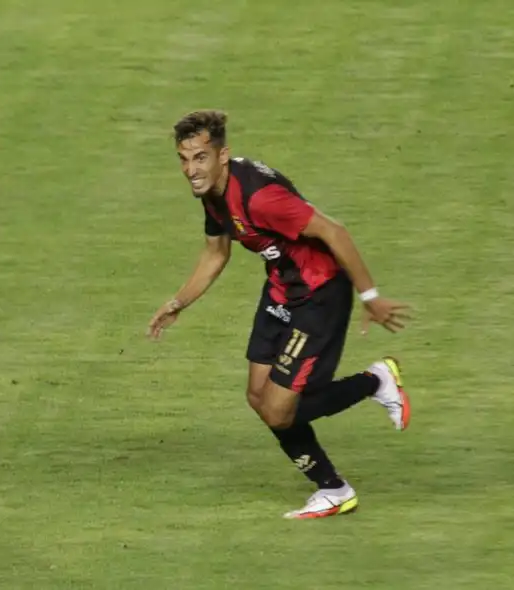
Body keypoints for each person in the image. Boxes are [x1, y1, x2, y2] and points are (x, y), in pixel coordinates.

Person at [148, 110, 412, 519]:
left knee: (278, 409)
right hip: (282, 288)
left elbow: (334, 231)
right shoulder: (215, 193)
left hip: (319, 294)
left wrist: (370, 296)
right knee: (258, 396)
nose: (190, 170)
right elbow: (216, 252)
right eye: (183, 159)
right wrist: (178, 302)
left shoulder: (260, 198)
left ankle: (375, 381)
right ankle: (335, 490)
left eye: (199, 158)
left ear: (223, 155)